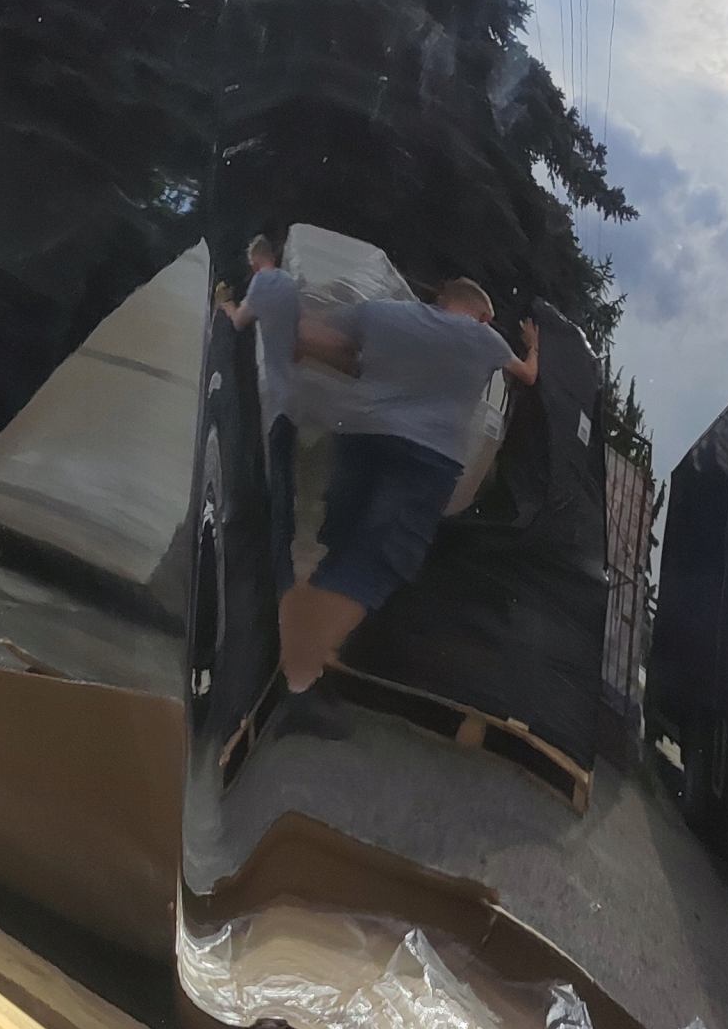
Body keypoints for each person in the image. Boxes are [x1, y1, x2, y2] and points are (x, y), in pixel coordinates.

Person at [275, 277, 539, 737]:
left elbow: (316, 338)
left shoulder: (383, 312)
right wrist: (533, 345)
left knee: (341, 550)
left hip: (359, 438)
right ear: (482, 315)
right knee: (374, 563)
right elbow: (529, 375)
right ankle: (296, 684)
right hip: (424, 459)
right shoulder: (485, 339)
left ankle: (292, 655)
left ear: (441, 299)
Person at [217, 234, 302, 595]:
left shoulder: (264, 281)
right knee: (284, 479)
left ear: (255, 261)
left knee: (276, 483)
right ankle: (283, 565)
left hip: (275, 397)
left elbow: (240, 321)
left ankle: (278, 573)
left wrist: (225, 303)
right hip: (293, 395)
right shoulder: (291, 285)